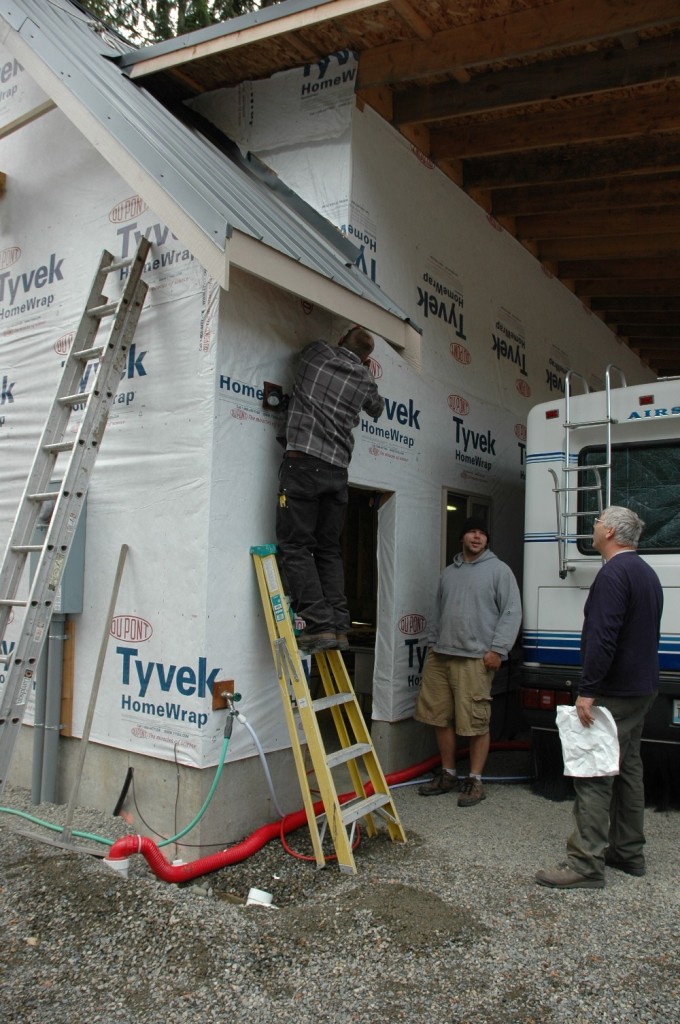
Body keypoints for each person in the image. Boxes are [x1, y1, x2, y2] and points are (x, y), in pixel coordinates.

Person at [535, 505, 663, 890]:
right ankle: (628, 852)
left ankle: (586, 864)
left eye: (596, 523)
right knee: (628, 770)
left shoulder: (614, 575)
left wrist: (588, 690)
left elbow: (603, 637)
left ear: (609, 532)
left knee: (593, 773)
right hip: (642, 688)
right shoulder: (646, 573)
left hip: (614, 691)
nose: (592, 527)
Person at [276, 326, 384, 655]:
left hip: (303, 464)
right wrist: (363, 372)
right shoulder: (365, 380)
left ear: (340, 341)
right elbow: (377, 408)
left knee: (295, 546)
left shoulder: (317, 353)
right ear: (367, 360)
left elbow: (310, 348)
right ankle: (338, 624)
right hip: (337, 474)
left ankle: (317, 625)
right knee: (327, 550)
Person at [414, 517, 522, 807]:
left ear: (487, 540)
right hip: (441, 655)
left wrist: (498, 649)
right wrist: (433, 643)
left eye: (482, 534)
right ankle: (448, 774)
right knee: (439, 717)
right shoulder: (449, 573)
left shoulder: (499, 571)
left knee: (476, 721)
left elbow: (511, 612)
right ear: (462, 537)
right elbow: (437, 610)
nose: (477, 537)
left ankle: (475, 780)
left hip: (476, 658)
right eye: (471, 532)